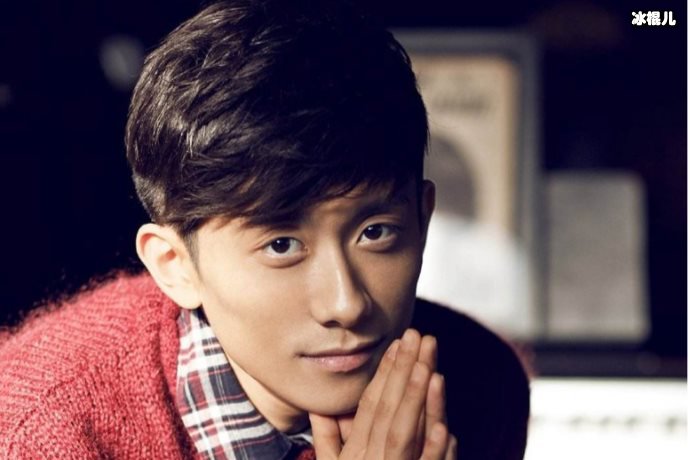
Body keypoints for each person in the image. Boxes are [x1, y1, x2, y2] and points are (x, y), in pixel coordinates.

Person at [0, 1, 529, 458]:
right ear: (174, 266)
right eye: (281, 245)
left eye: (375, 233)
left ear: (422, 218)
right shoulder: (42, 428)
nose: (346, 305)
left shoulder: (482, 382)